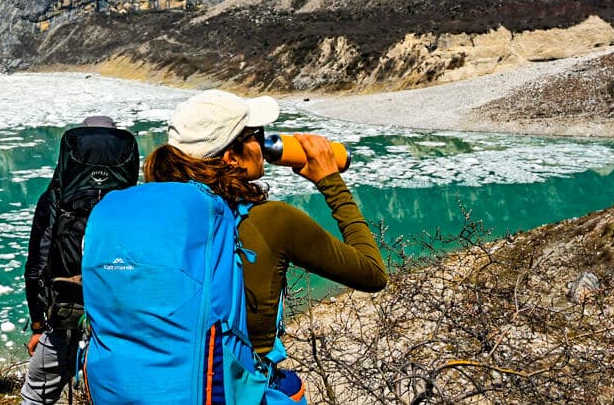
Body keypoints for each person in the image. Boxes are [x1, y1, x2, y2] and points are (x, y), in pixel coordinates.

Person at [144, 90, 388, 401]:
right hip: (237, 390)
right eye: (255, 136)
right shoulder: (272, 221)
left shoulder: (155, 217)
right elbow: (372, 273)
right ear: (232, 158)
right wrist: (330, 180)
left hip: (166, 386)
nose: (263, 145)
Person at [21, 115, 137, 405]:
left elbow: (36, 263)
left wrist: (38, 323)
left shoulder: (55, 198)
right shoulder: (133, 200)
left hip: (66, 311)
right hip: (121, 314)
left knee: (36, 393)